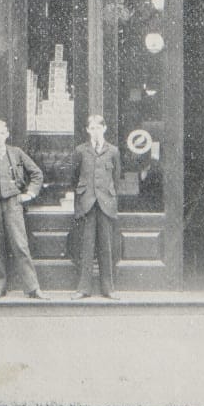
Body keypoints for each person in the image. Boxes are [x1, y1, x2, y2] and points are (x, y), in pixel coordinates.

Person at [0, 120, 48, 300]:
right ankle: (0, 286)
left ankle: (33, 288)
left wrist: (29, 194)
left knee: (20, 245)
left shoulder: (16, 153)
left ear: (7, 134)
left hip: (13, 205)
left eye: (2, 133)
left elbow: (37, 174)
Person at [71, 114, 121, 300]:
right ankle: (83, 288)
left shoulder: (113, 151)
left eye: (98, 128)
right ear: (87, 130)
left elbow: (116, 179)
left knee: (106, 247)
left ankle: (108, 288)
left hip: (105, 204)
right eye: (92, 128)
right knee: (86, 247)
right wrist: (82, 197)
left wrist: (109, 196)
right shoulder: (80, 151)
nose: (95, 132)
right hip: (87, 205)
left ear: (105, 129)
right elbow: (74, 177)